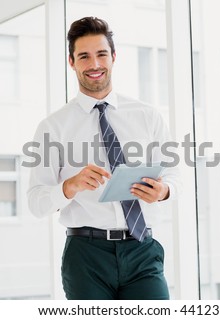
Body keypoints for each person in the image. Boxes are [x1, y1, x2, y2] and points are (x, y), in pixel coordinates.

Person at [27, 16, 180, 300]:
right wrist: (69, 186)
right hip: (87, 256)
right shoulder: (53, 127)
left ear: (113, 57)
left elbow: (173, 172)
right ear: (71, 62)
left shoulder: (147, 115)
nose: (94, 64)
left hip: (141, 250)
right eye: (84, 56)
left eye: (101, 54)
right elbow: (36, 202)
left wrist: (163, 190)